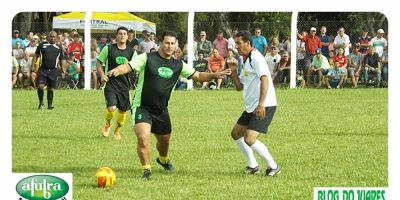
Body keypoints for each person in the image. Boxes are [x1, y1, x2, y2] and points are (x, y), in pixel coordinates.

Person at [107, 30, 230, 179]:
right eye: (167, 43)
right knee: (143, 137)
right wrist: (118, 70)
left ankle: (163, 159)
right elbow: (129, 66)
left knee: (164, 142)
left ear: (176, 45)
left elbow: (197, 76)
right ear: (161, 43)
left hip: (161, 110)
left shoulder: (178, 64)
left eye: (172, 43)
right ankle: (146, 170)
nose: (169, 46)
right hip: (142, 106)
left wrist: (213, 75)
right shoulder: (147, 58)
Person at [226, 30, 280, 176]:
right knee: (236, 133)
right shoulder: (244, 59)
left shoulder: (256, 57)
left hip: (265, 104)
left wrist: (261, 104)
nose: (236, 46)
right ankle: (253, 166)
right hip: (251, 106)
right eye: (235, 43)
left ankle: (273, 166)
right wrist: (232, 72)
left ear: (248, 43)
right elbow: (239, 87)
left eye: (239, 43)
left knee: (249, 138)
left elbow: (265, 79)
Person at [96, 27, 137, 140]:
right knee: (112, 108)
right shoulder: (108, 49)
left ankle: (117, 131)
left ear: (127, 36)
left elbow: (136, 65)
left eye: (124, 34)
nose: (122, 35)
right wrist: (102, 75)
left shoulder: (132, 51)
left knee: (123, 111)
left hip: (124, 85)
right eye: (120, 34)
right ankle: (107, 123)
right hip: (111, 84)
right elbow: (99, 62)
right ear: (116, 36)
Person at [31, 31, 64, 110]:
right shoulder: (42, 45)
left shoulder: (59, 47)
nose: (52, 38)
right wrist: (33, 65)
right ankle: (41, 103)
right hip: (43, 70)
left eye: (54, 37)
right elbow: (36, 55)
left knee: (50, 88)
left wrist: (62, 70)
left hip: (53, 71)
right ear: (48, 37)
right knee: (40, 86)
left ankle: (50, 105)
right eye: (51, 37)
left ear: (56, 38)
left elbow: (61, 60)